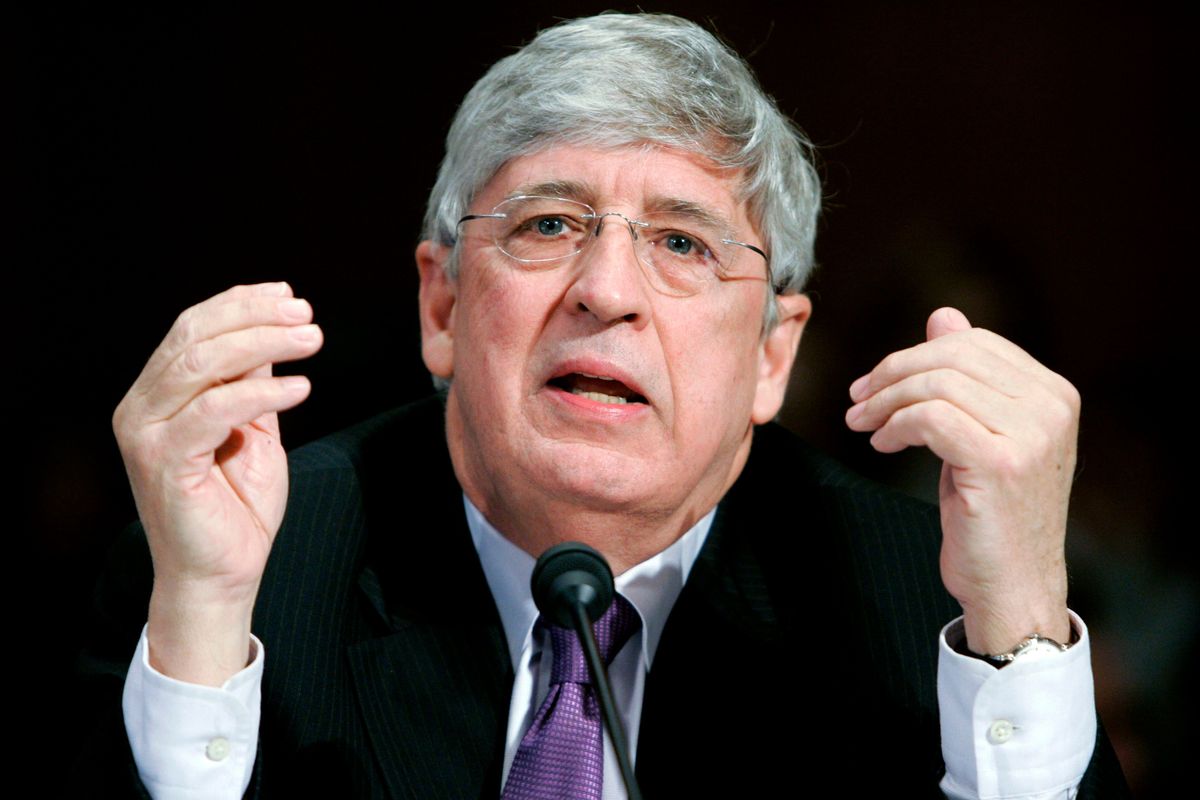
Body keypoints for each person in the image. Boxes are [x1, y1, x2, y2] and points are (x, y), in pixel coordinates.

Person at [79, 12, 1128, 799]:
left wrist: (1022, 626)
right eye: (547, 224)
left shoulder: (919, 602)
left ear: (773, 351)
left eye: (681, 242)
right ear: (442, 305)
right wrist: (205, 624)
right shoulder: (234, 562)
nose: (607, 290)